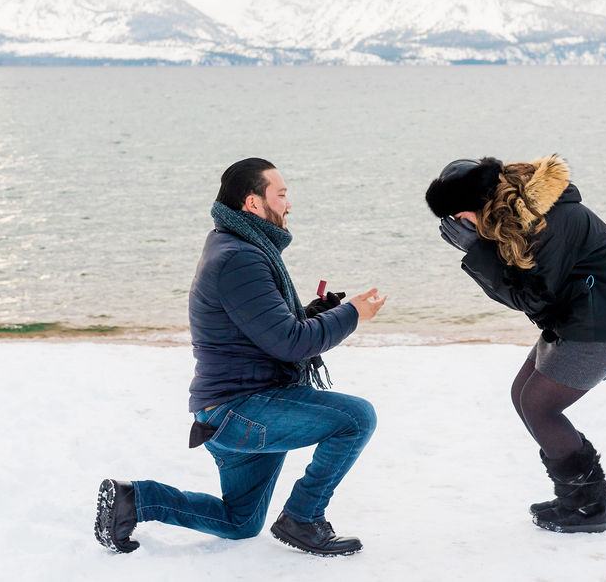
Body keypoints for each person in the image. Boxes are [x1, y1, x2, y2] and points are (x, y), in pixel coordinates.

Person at [95, 157, 387, 557]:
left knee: (240, 523)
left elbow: (265, 329)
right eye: (281, 195)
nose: (288, 204)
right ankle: (303, 518)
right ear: (253, 203)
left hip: (229, 412)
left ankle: (135, 501)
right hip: (242, 411)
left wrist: (318, 313)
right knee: (357, 418)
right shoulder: (241, 257)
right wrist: (352, 314)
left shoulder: (234, 245)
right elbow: (291, 344)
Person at [426, 154, 606, 534]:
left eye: (457, 218)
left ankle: (588, 508)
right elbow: (533, 291)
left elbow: (531, 298)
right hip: (582, 314)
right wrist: (481, 248)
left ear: (476, 206)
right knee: (523, 394)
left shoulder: (547, 223)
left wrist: (479, 252)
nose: (456, 227)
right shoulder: (513, 214)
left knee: (539, 406)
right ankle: (576, 494)